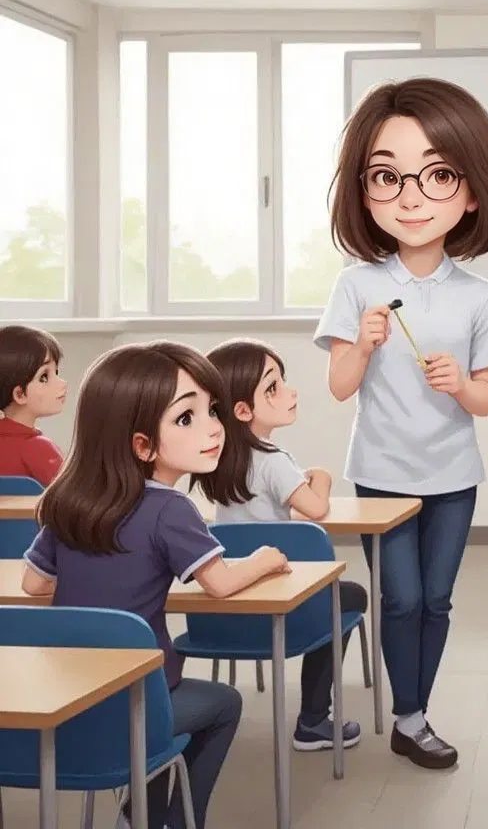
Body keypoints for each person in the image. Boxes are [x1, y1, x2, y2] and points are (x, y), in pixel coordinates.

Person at [314, 77, 488, 769]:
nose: (409, 197)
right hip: (382, 471)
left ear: (470, 193)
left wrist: (461, 383)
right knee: (399, 601)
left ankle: (415, 711)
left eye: (436, 176)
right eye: (387, 177)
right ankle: (410, 716)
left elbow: (487, 400)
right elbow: (340, 387)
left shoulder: (478, 297)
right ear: (363, 192)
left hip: (455, 475)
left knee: (437, 601)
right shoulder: (357, 283)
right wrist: (366, 344)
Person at [21, 342, 290, 829]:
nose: (214, 427)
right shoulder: (170, 509)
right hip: (136, 700)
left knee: (164, 717)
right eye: (187, 419)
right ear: (142, 445)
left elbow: (34, 583)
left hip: (64, 694)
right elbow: (221, 584)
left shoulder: (67, 501)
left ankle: (138, 813)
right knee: (224, 706)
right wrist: (264, 559)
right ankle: (173, 820)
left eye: (212, 410)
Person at [197, 337, 366, 751]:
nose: (289, 392)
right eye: (273, 387)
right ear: (243, 410)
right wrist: (321, 476)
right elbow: (316, 509)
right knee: (350, 596)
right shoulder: (273, 461)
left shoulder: (216, 462)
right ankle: (312, 720)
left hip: (225, 611)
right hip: (277, 605)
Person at [0, 324, 68, 485]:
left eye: (56, 372)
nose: (62, 383)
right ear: (20, 394)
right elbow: (71, 497)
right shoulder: (40, 449)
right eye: (44, 377)